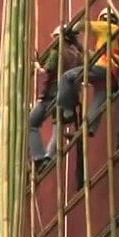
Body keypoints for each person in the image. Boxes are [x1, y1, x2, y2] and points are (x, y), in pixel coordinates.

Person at [49, 7, 119, 160]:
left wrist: (71, 28)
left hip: (103, 69)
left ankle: (67, 111)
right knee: (97, 105)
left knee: (68, 77)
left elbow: (84, 25)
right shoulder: (116, 37)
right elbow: (98, 55)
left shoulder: (107, 27)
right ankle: (86, 129)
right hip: (111, 75)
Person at [31, 26, 85, 172]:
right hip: (70, 96)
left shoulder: (57, 52)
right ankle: (50, 155)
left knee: (31, 123)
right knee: (58, 125)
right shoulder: (77, 53)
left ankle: (38, 157)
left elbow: (47, 73)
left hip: (53, 93)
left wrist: (36, 65)